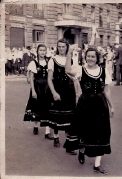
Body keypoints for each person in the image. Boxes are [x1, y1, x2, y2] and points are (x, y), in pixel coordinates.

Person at [64, 46, 114, 175]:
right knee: (84, 130)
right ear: (85, 58)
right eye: (88, 56)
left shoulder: (104, 71)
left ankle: (97, 165)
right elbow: (67, 70)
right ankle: (81, 151)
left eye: (93, 56)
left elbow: (106, 90)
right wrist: (69, 53)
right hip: (85, 105)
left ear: (97, 58)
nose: (90, 58)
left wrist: (111, 106)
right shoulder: (81, 70)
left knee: (101, 133)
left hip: (100, 105)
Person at [47, 38, 77, 154]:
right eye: (59, 46)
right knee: (57, 114)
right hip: (58, 89)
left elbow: (74, 74)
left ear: (67, 47)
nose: (61, 49)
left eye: (63, 47)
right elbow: (49, 79)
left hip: (69, 90)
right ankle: (55, 136)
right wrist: (54, 92)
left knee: (69, 116)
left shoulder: (71, 59)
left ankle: (69, 144)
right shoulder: (52, 60)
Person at [23, 44, 53, 139]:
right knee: (37, 106)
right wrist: (33, 91)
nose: (42, 52)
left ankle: (47, 131)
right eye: (41, 50)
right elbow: (32, 78)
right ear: (37, 51)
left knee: (47, 107)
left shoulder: (49, 61)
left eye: (44, 50)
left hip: (47, 86)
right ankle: (36, 126)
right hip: (38, 86)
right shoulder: (34, 63)